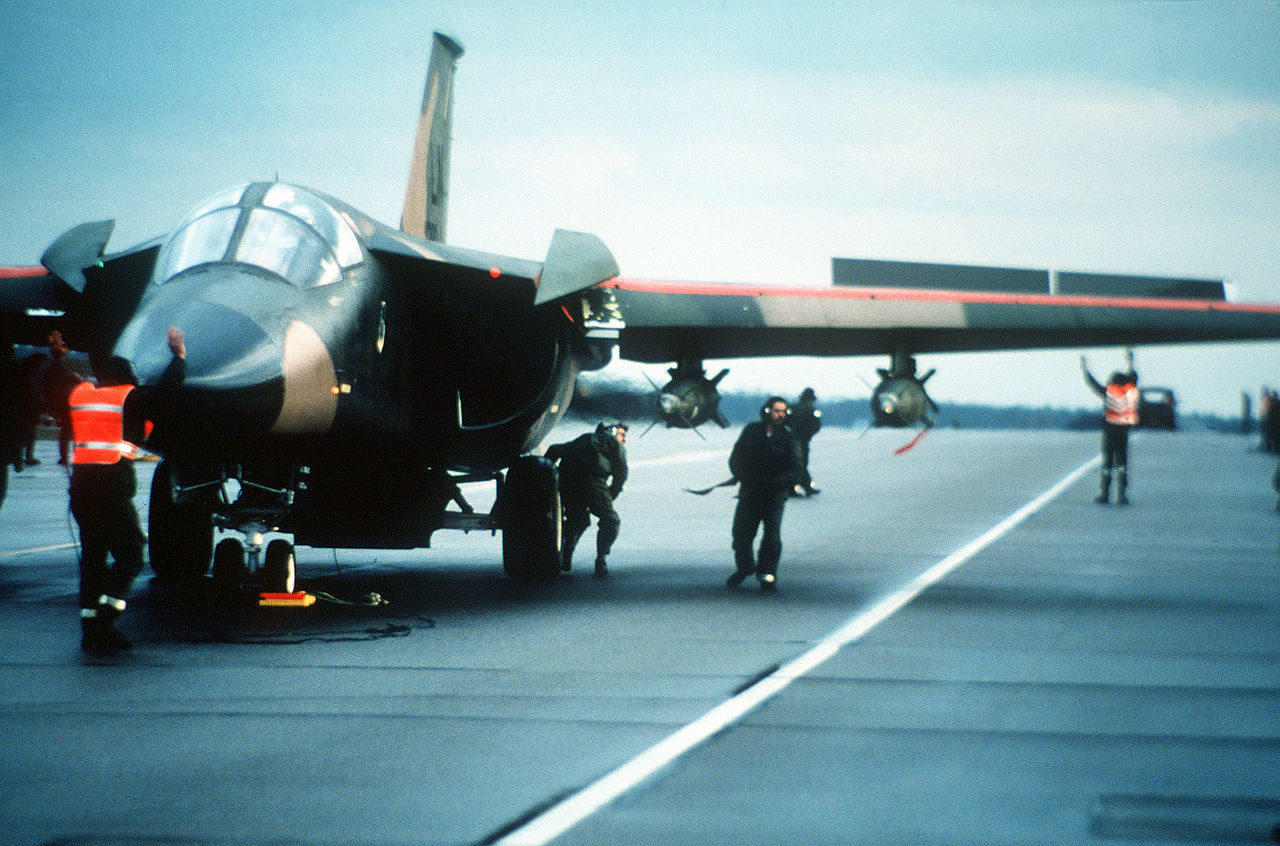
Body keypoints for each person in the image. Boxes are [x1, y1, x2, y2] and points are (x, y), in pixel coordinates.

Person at [71, 328, 185, 652]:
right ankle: (105, 621)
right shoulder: (128, 398)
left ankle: (90, 626)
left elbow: (53, 388)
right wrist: (178, 358)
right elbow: (165, 395)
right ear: (127, 376)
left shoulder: (81, 395)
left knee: (93, 558)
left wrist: (58, 359)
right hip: (111, 488)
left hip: (81, 491)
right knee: (131, 554)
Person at [726, 396, 804, 591]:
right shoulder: (752, 431)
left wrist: (775, 483)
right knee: (741, 534)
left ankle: (768, 573)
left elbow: (796, 470)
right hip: (750, 491)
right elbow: (736, 457)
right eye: (776, 410)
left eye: (783, 411)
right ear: (767, 411)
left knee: (771, 535)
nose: (780, 415)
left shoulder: (788, 437)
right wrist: (741, 475)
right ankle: (745, 567)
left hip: (774, 495)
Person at [545, 421, 628, 577]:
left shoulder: (584, 439)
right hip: (593, 482)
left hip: (567, 482)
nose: (624, 439)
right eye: (622, 435)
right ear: (612, 433)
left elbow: (554, 449)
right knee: (611, 521)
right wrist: (610, 496)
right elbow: (621, 475)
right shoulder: (614, 445)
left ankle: (566, 553)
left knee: (578, 519)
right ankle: (601, 559)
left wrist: (546, 480)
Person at [1081, 351, 1139, 506]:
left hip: (1109, 434)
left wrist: (1085, 368)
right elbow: (1133, 377)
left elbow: (1093, 384)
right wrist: (1130, 361)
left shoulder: (1108, 393)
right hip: (1123, 434)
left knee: (1107, 464)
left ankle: (1105, 494)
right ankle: (1122, 495)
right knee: (1122, 464)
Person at [790, 387, 822, 496]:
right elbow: (816, 425)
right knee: (800, 463)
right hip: (800, 439)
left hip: (795, 438)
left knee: (799, 463)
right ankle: (801, 487)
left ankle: (802, 486)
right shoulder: (810, 409)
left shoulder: (794, 407)